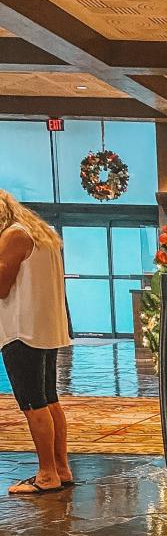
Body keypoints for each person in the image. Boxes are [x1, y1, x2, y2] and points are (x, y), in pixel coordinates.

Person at [0, 190, 73, 496]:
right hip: (43, 327)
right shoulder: (41, 233)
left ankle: (46, 474)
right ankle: (60, 467)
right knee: (49, 399)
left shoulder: (13, 236)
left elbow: (2, 287)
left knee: (33, 404)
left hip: (20, 330)